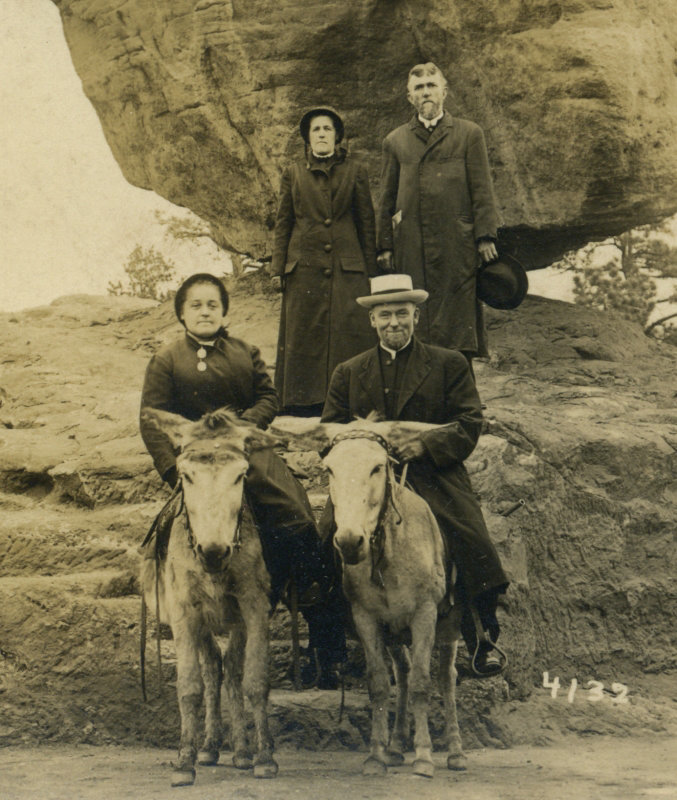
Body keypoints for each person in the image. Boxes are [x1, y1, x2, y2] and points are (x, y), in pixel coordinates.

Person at [140, 273, 346, 688]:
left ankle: (315, 610)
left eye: (212, 304)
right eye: (195, 304)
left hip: (248, 452)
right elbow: (151, 418)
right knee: (166, 532)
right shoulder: (167, 359)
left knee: (295, 515)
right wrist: (172, 472)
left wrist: (242, 428)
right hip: (198, 461)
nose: (204, 311)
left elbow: (268, 397)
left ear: (224, 311)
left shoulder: (244, 352)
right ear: (181, 312)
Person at [321, 273, 509, 676]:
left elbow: (468, 422)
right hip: (365, 480)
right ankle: (332, 647)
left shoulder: (448, 363)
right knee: (322, 540)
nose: (393, 322)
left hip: (430, 473)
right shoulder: (348, 373)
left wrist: (425, 446)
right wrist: (364, 449)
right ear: (372, 320)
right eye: (385, 314)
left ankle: (482, 639)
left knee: (471, 535)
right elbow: (331, 433)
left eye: (402, 314)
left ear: (416, 316)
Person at [376, 62, 502, 365]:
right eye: (418, 89)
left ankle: (461, 399)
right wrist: (384, 245)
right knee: (418, 318)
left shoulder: (469, 134)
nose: (426, 93)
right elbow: (386, 198)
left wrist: (485, 236)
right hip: (412, 245)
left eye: (431, 86)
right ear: (410, 98)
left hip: (455, 243)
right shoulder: (395, 141)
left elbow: (482, 188)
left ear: (444, 92)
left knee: (457, 321)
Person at [271, 105, 378, 415]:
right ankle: (304, 403)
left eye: (327, 129)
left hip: (348, 268)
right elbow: (284, 223)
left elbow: (366, 223)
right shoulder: (293, 174)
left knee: (349, 333)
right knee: (305, 332)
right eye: (315, 129)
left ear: (337, 137)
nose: (321, 134)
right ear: (308, 138)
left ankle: (349, 402)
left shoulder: (355, 171)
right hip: (303, 267)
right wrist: (277, 269)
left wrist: (371, 271)